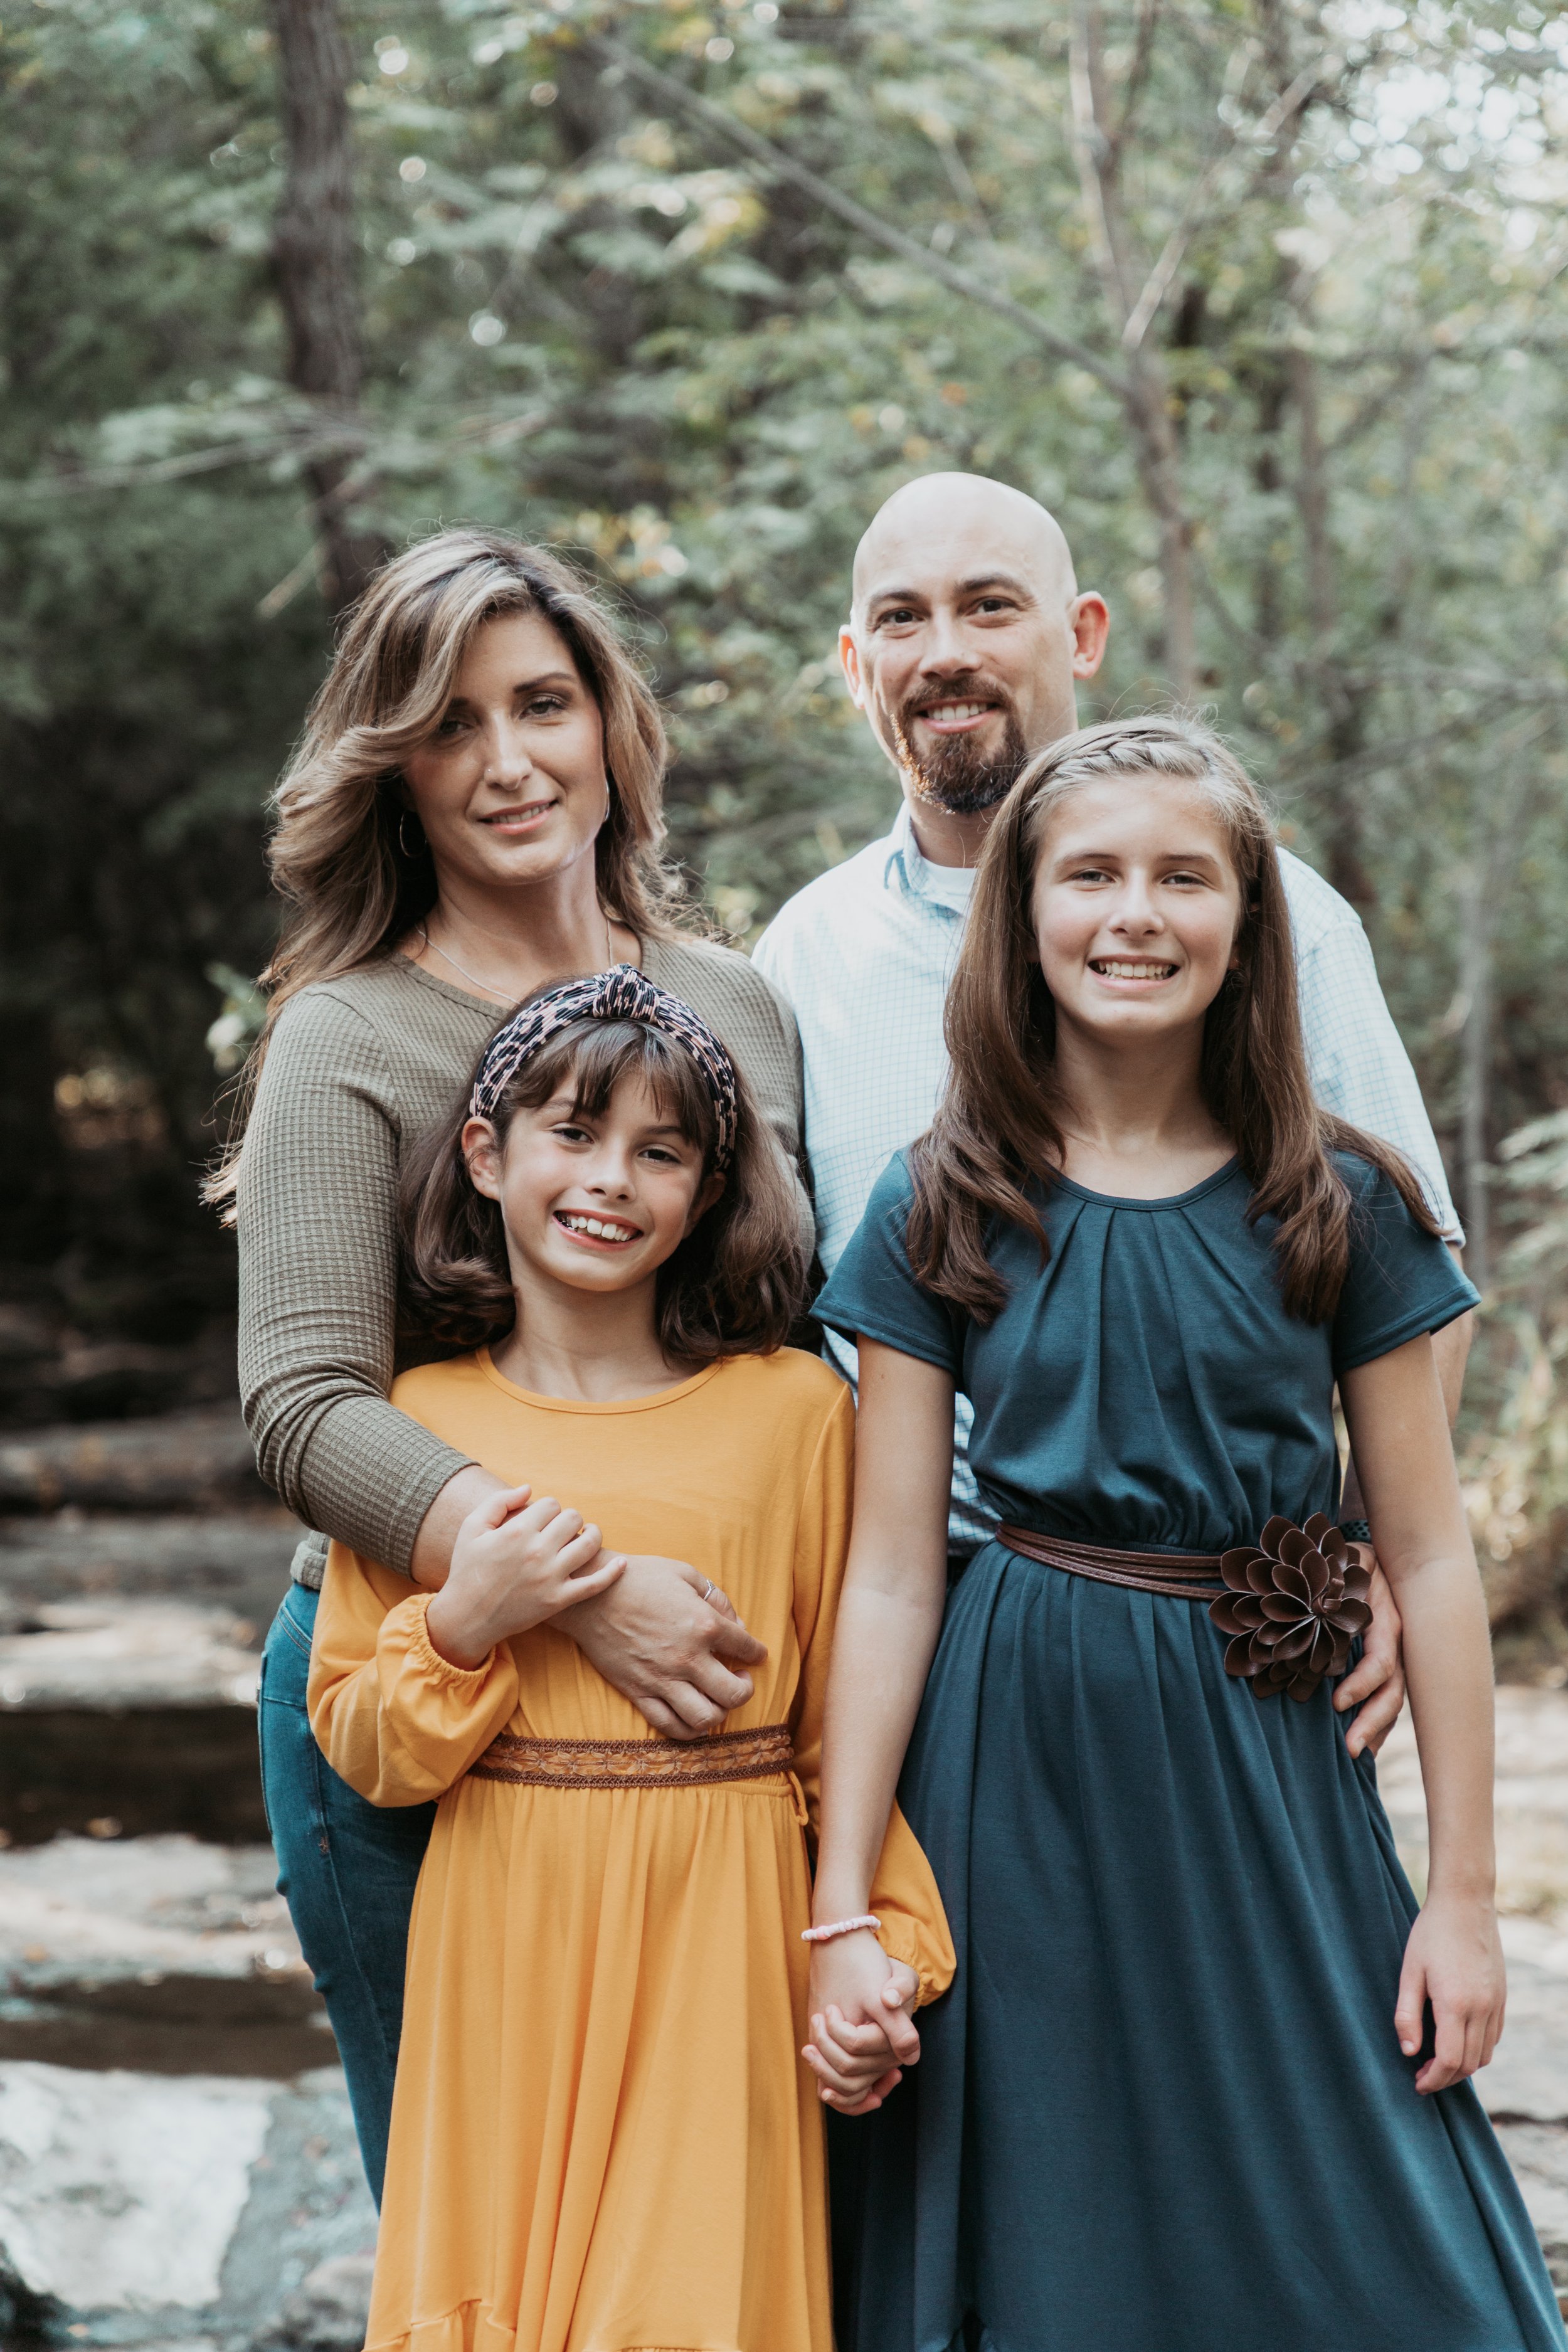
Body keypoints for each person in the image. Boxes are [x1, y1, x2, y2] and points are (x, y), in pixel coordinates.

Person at [802, 717, 1563, 2352]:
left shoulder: (1333, 1202)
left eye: (1178, 874)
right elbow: (881, 1569)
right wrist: (839, 1900)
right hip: (1013, 1748)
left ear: (1245, 921)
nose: (1130, 911)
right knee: (1045, 2198)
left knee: (1366, 2193)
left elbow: (1428, 1558)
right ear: (1020, 914)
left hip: (1259, 1749)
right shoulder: (939, 1197)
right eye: (1087, 872)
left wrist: (1461, 1897)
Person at [218, 528, 811, 2198]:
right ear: (394, 774)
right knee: (478, 2216)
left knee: (687, 2207)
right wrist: (581, 1580)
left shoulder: (737, 1006)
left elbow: (783, 1340)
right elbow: (301, 1405)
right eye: (452, 724)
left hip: (706, 1715)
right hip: (422, 1686)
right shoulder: (348, 1033)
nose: (509, 760)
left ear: (610, 723)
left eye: (541, 702)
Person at [754, 470, 1470, 1758]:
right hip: (908, 1629)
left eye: (988, 608)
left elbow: (1415, 1279)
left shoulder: (1267, 920)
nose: (946, 655)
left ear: (1079, 634)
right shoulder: (805, 954)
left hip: (1221, 1633)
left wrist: (1365, 1561)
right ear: (855, 663)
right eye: (903, 621)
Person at [307, 971, 952, 2352]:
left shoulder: (793, 1416)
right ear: (485, 1153)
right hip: (504, 1931)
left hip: (719, 1935)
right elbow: (366, 1747)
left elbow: (843, 1727)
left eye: (660, 1153)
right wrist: (468, 1617)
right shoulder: (420, 1426)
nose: (611, 1181)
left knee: (681, 2308)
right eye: (575, 1134)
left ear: (711, 1193)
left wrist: (872, 1944)